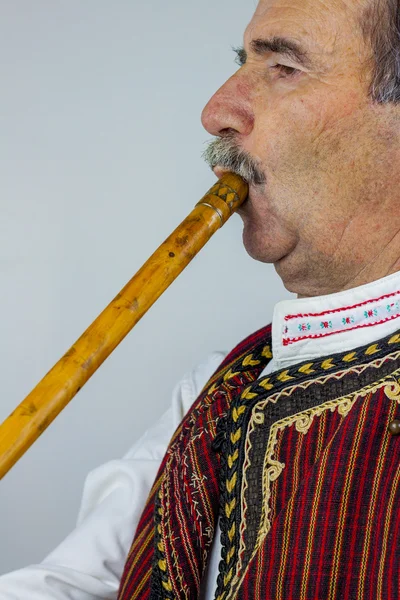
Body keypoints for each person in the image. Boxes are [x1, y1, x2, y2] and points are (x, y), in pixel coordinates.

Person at [1, 0, 400, 597]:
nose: (217, 112)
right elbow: (68, 584)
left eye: (284, 66)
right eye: (244, 62)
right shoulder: (218, 388)